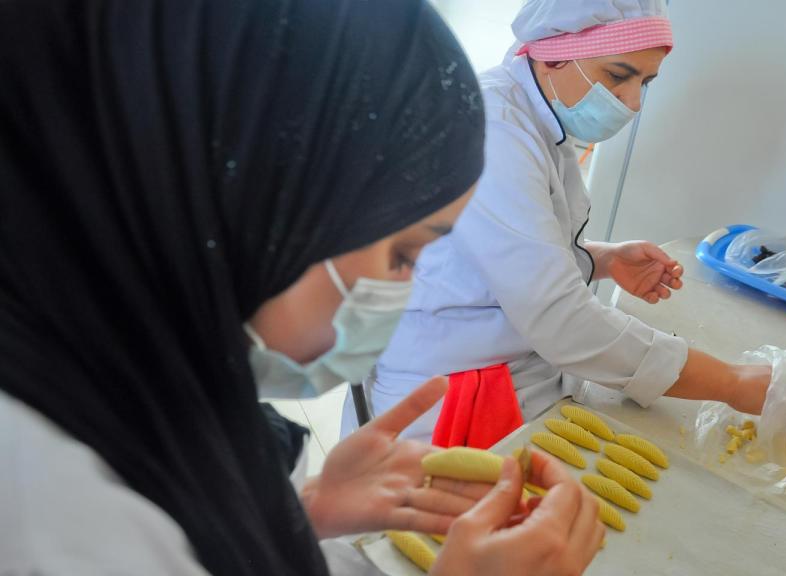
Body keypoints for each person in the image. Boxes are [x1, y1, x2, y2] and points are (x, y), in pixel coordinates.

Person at [0, 1, 602, 575]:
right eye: (403, 253)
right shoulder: (49, 518)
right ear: (252, 211)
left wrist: (299, 513)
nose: (404, 292)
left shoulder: (144, 370)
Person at [372, 0, 771, 447]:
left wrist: (602, 259)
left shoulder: (536, 117)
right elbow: (561, 320)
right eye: (618, 76)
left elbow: (495, 258)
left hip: (510, 366)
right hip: (450, 397)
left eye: (646, 81)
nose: (633, 102)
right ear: (553, 53)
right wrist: (732, 383)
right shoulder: (492, 131)